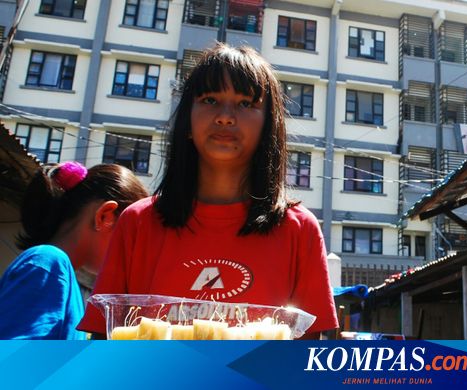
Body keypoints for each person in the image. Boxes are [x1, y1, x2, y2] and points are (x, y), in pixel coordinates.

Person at [78, 44, 339, 339]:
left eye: (245, 103)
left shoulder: (299, 229)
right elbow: (103, 343)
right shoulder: (136, 222)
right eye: (210, 99)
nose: (225, 116)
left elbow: (306, 356)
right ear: (187, 120)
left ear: (269, 124)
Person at [0, 162, 148, 339]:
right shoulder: (47, 263)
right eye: (134, 237)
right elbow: (16, 363)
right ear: (105, 216)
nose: (136, 253)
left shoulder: (62, 278)